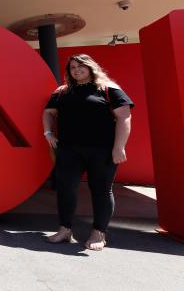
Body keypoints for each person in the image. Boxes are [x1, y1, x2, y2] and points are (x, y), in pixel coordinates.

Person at [42, 54, 132, 251]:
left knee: (101, 190)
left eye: (81, 66)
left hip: (102, 151)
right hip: (69, 150)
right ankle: (64, 230)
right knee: (66, 189)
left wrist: (119, 147)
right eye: (72, 67)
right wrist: (48, 132)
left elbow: (124, 117)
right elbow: (48, 112)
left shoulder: (109, 89)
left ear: (91, 67)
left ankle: (99, 232)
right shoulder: (62, 91)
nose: (76, 70)